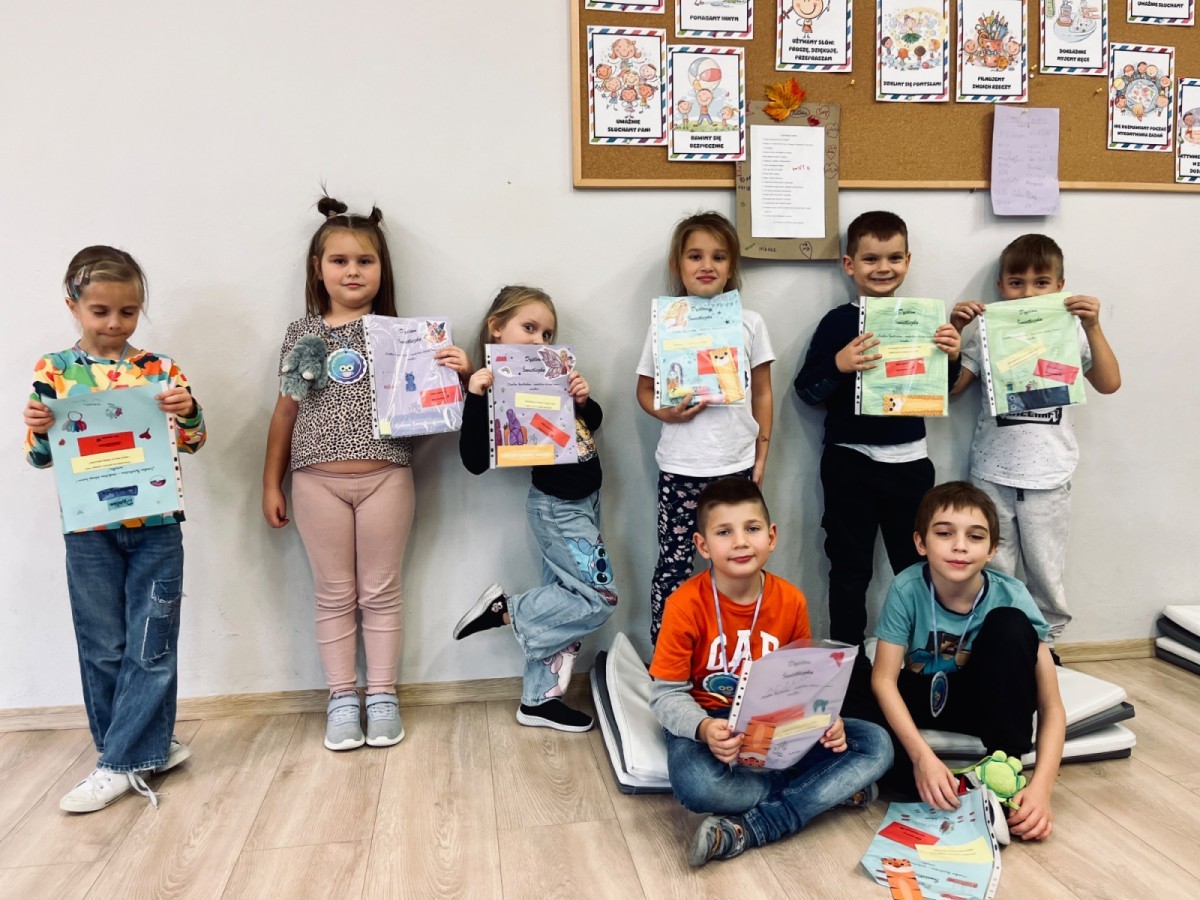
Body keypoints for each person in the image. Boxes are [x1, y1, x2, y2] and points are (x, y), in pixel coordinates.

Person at [262, 197, 471, 751]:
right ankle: (340, 697)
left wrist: (458, 375)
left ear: (382, 269)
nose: (352, 271)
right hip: (315, 481)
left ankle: (381, 695)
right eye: (339, 260)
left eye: (365, 261)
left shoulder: (406, 336)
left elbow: (437, 412)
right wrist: (270, 483)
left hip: (387, 478)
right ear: (318, 269)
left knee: (380, 591)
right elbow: (284, 411)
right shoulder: (301, 333)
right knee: (333, 594)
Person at [23, 246, 207, 812]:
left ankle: (119, 764)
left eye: (127, 312)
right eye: (100, 311)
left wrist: (188, 409)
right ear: (73, 306)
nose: (114, 323)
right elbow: (40, 458)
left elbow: (194, 441)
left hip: (156, 526)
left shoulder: (159, 369)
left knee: (152, 644)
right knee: (102, 646)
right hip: (88, 531)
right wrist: (38, 427)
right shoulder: (54, 370)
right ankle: (132, 751)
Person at [649, 478, 892, 866]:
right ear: (702, 545)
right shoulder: (684, 605)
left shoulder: (790, 600)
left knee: (876, 744)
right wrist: (704, 729)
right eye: (724, 532)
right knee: (697, 785)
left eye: (752, 528)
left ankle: (757, 825)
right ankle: (825, 791)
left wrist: (826, 721)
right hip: (709, 721)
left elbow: (806, 684)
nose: (741, 542)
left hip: (775, 726)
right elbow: (666, 695)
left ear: (771, 536)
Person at [795, 210, 961, 650]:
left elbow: (942, 390)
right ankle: (847, 657)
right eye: (870, 259)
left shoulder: (927, 322)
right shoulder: (837, 322)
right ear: (849, 265)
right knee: (849, 567)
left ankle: (918, 653)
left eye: (893, 258)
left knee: (916, 564)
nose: (883, 268)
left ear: (908, 261)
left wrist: (952, 356)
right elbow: (805, 390)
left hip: (910, 461)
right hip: (848, 460)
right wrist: (838, 364)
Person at [453, 285, 616, 733]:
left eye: (546, 334)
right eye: (529, 327)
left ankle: (539, 700)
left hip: (586, 501)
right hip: (559, 509)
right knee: (598, 597)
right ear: (496, 328)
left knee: (564, 603)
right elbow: (474, 460)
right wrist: (475, 394)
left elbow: (589, 426)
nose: (539, 340)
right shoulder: (490, 386)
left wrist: (583, 401)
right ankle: (505, 609)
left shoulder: (551, 373)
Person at [950, 234, 1121, 646]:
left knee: (1045, 570)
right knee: (993, 567)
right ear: (1000, 286)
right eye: (1016, 283)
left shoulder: (1071, 331)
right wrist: (956, 330)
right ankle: (993, 643)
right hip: (992, 472)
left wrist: (1093, 325)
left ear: (1060, 286)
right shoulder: (985, 331)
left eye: (1041, 283)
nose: (1028, 293)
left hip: (1049, 472)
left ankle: (1047, 646)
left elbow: (1110, 383)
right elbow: (951, 391)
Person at [871, 481, 1065, 841]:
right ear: (920, 543)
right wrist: (923, 758)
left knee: (1009, 624)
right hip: (926, 696)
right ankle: (923, 780)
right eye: (944, 533)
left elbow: (1052, 706)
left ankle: (1002, 772)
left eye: (975, 537)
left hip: (983, 702)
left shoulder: (1012, 594)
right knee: (854, 681)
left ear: (992, 550)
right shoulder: (906, 587)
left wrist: (1042, 789)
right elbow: (883, 680)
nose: (960, 546)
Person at [636, 211, 775, 644]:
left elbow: (763, 393)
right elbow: (644, 390)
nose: (707, 265)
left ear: (732, 266)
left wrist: (762, 454)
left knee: (739, 563)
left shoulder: (750, 322)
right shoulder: (664, 324)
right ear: (677, 265)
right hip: (681, 466)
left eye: (718, 256)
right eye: (695, 256)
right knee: (674, 565)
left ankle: (735, 649)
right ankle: (666, 657)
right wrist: (666, 413)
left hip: (735, 464)